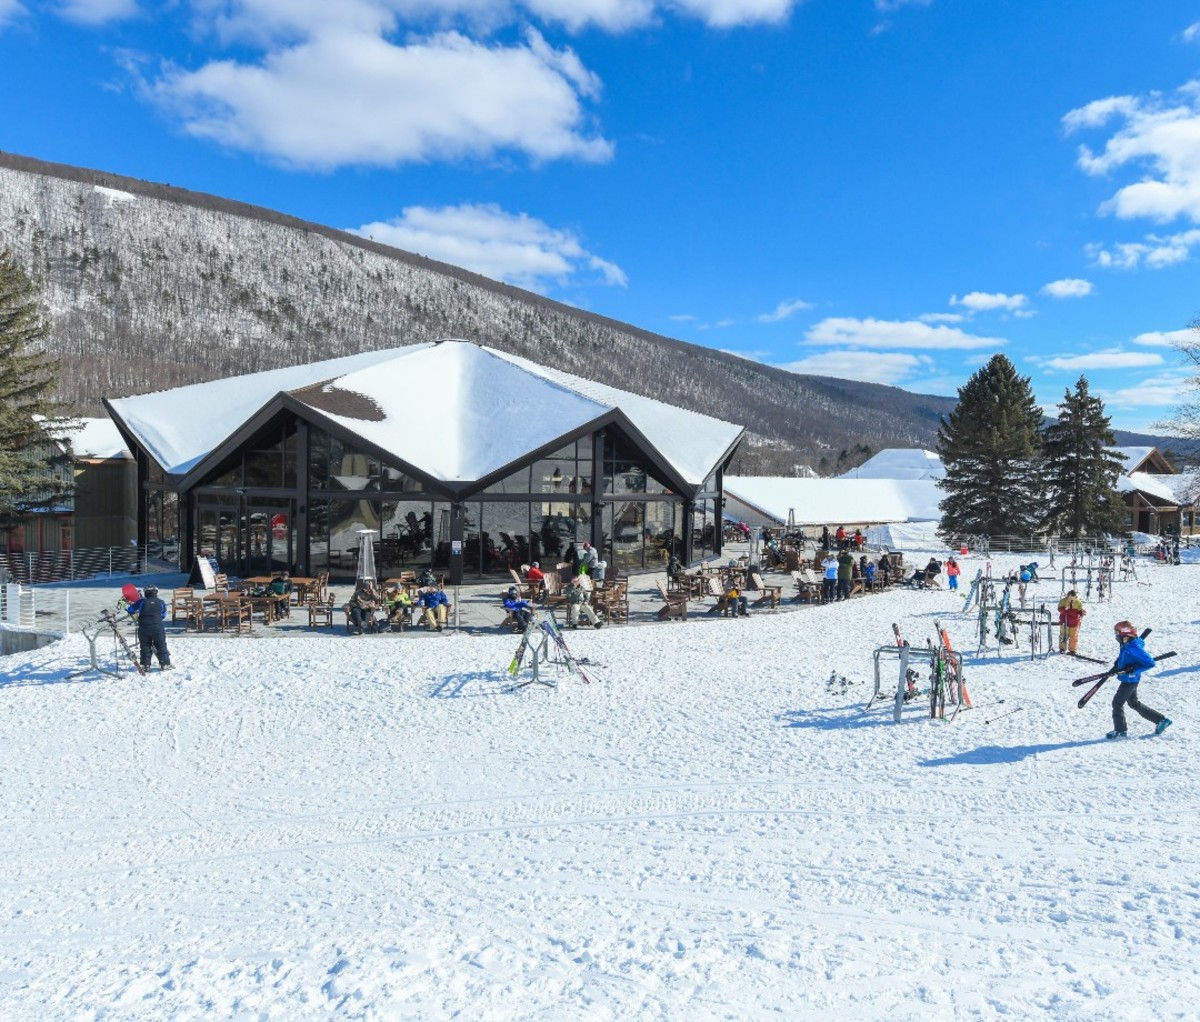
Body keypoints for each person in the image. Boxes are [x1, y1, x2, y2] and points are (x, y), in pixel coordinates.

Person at [1107, 620, 1171, 739]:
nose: (1116, 636)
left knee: (1117, 703)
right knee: (1133, 702)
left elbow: (1150, 663)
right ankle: (1161, 720)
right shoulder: (1127, 643)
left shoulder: (1133, 646)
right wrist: (1117, 665)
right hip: (1130, 678)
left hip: (1130, 679)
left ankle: (1120, 731)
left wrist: (1133, 670)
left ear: (1124, 634)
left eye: (1117, 633)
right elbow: (1126, 654)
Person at [125, 584, 172, 670]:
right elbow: (163, 614)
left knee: (145, 646)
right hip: (157, 626)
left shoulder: (141, 601)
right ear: (156, 592)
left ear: (145, 593)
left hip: (144, 627)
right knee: (161, 645)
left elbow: (130, 610)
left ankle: (145, 665)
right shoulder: (161, 602)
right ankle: (165, 664)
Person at [1057, 590, 1085, 654]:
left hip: (1074, 621)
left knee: (1073, 636)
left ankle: (1072, 649)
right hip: (1064, 621)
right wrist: (1064, 609)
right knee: (1063, 635)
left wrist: (1082, 612)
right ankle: (1062, 648)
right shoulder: (1063, 601)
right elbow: (1059, 609)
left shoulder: (1078, 602)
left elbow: (1080, 610)